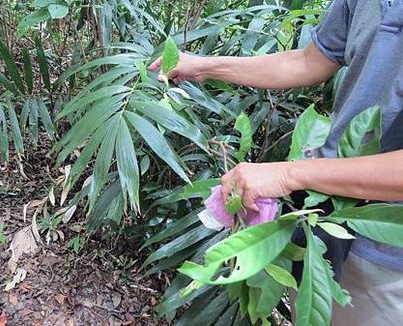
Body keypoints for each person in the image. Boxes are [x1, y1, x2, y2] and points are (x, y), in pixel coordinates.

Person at [149, 0, 403, 324]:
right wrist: (204, 66)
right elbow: (310, 61)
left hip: (389, 258)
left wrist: (288, 176)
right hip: (323, 222)